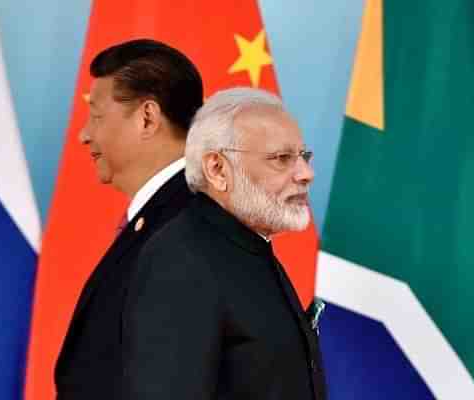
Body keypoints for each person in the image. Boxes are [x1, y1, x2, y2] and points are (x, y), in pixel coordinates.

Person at [121, 87, 327, 399]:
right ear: (217, 169)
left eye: (303, 156)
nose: (306, 173)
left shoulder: (246, 246)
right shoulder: (181, 260)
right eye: (282, 158)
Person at [54, 39, 203, 400]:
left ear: (148, 117)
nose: (84, 133)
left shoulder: (187, 230)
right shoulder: (166, 218)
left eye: (97, 115)